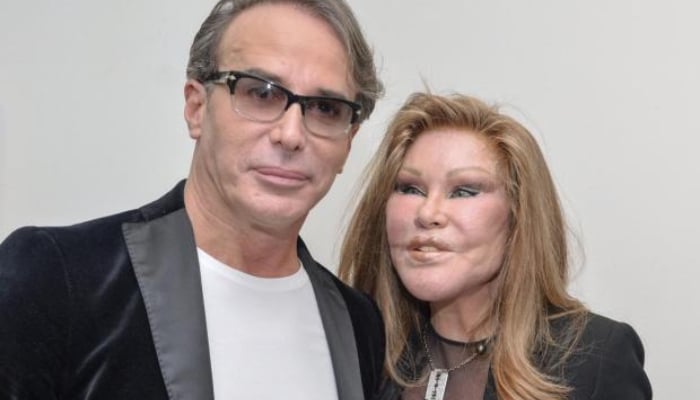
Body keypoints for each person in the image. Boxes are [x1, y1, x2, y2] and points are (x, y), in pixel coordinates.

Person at [0, 1, 385, 399]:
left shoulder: (360, 325)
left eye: (325, 109)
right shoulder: (56, 279)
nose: (291, 135)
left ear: (348, 141)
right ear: (197, 108)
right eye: (260, 93)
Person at [339, 92, 652, 400]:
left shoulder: (596, 360)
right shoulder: (353, 349)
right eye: (410, 188)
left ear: (518, 215)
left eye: (464, 191)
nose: (427, 213)